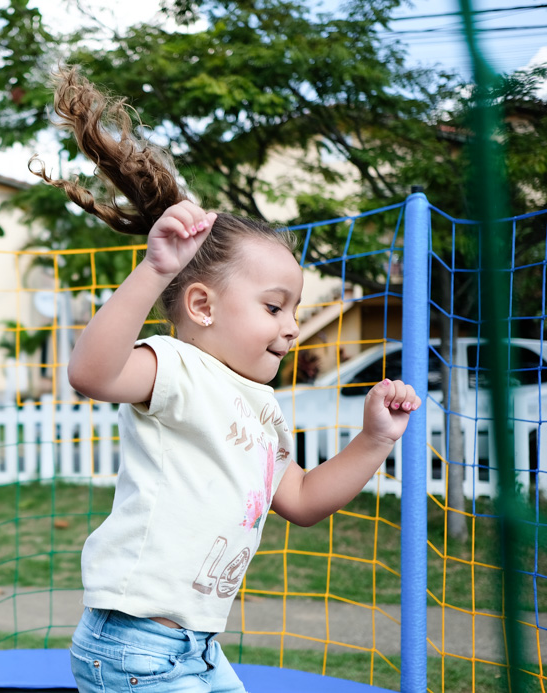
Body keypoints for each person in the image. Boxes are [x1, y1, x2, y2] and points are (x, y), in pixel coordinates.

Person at [33, 66, 422, 693]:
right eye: (274, 307)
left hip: (199, 647)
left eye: (294, 310)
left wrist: (375, 440)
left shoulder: (263, 407)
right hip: (134, 644)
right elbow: (91, 373)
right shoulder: (176, 367)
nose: (292, 327)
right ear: (202, 306)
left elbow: (302, 500)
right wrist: (155, 269)